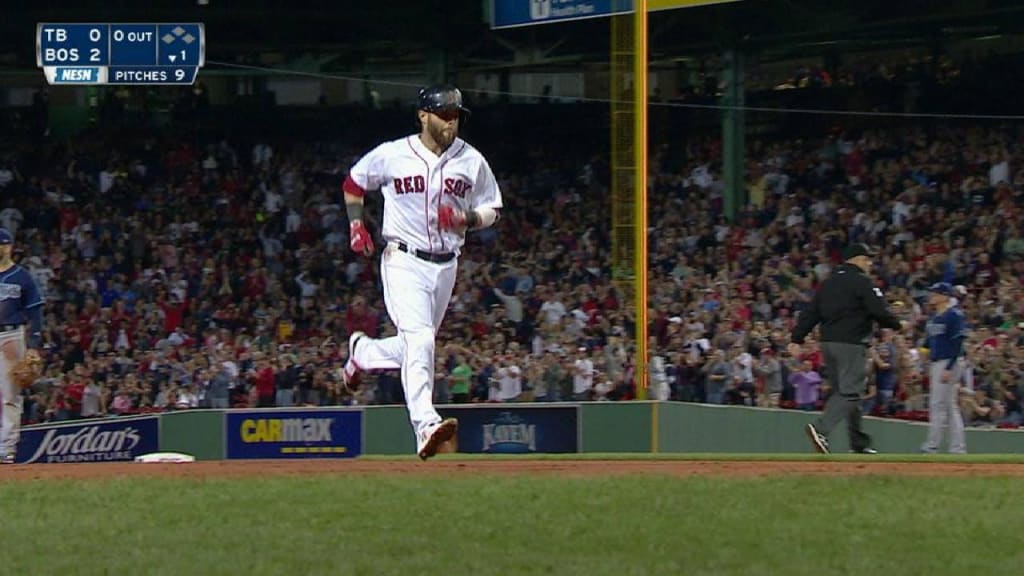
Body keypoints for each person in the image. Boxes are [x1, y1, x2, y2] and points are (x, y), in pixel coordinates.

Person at [340, 85, 503, 460]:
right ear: (423, 115)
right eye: (444, 114)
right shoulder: (394, 154)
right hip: (403, 259)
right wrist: (355, 226)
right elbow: (353, 183)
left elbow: (493, 207)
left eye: (456, 115)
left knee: (415, 343)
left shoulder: (472, 160)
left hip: (447, 265)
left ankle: (363, 352)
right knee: (421, 340)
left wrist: (468, 217)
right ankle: (426, 425)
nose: (451, 122)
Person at [789, 243, 903, 454]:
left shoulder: (828, 283)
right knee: (851, 393)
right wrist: (897, 325)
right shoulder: (862, 282)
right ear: (857, 259)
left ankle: (858, 443)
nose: (869, 263)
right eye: (867, 259)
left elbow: (811, 312)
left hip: (828, 344)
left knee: (846, 393)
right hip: (851, 343)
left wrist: (797, 338)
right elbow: (879, 310)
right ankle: (820, 429)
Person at [0, 227, 45, 464]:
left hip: (10, 336)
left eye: (3, 244)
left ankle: (6, 449)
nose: (0, 248)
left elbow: (35, 310)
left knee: (10, 394)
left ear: (10, 247)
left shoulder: (22, 276)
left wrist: (34, 343)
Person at [920, 282, 967, 454]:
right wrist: (923, 354)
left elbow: (958, 343)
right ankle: (957, 448)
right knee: (948, 405)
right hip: (937, 362)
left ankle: (932, 445)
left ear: (945, 296)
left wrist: (949, 367)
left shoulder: (954, 315)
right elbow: (928, 342)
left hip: (949, 361)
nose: (931, 296)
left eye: (935, 293)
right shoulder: (934, 317)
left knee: (938, 404)